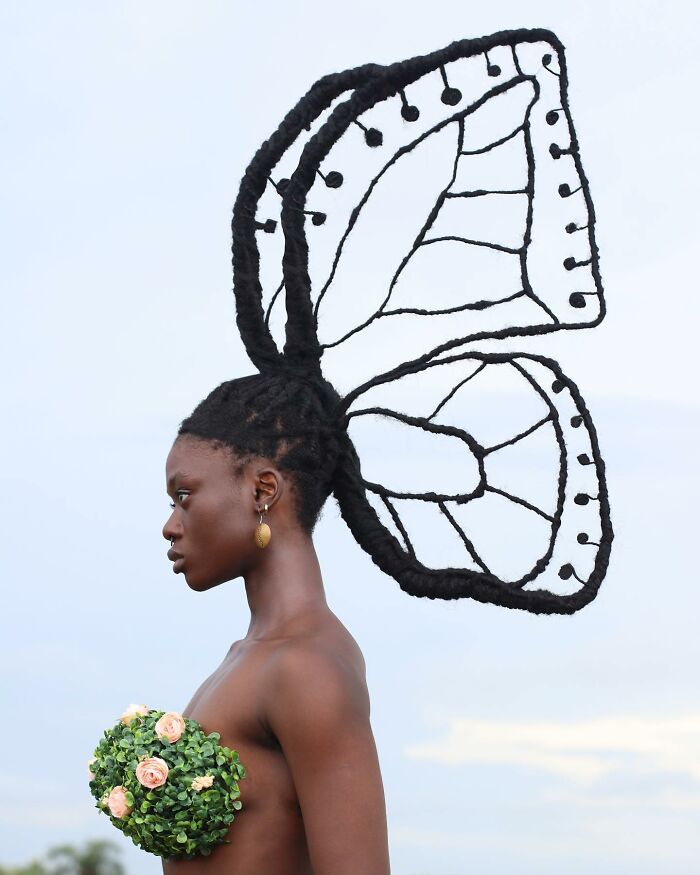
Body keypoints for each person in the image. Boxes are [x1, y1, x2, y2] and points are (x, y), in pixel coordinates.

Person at [161, 371, 391, 875]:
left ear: (263, 489)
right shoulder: (247, 659)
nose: (171, 526)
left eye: (185, 496)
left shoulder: (304, 666)